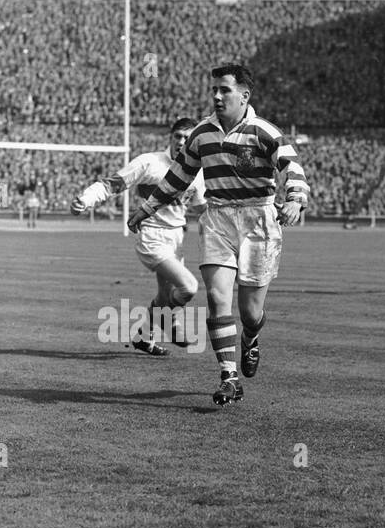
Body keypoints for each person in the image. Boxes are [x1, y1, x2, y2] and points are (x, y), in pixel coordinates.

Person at [128, 64, 308, 406]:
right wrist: (147, 208)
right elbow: (177, 177)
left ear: (245, 95)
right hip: (218, 218)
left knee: (250, 313)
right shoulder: (201, 133)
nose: (217, 96)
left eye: (225, 89)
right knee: (215, 296)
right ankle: (229, 377)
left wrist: (296, 199)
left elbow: (292, 168)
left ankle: (250, 340)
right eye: (214, 89)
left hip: (258, 219)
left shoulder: (264, 131)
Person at [72, 118, 206, 355]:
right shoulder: (150, 162)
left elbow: (202, 207)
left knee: (164, 297)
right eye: (178, 136)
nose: (181, 142)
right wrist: (86, 199)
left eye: (187, 138)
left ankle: (143, 337)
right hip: (152, 237)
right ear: (170, 137)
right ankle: (168, 320)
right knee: (188, 287)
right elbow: (113, 184)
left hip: (177, 239)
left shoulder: (197, 172)